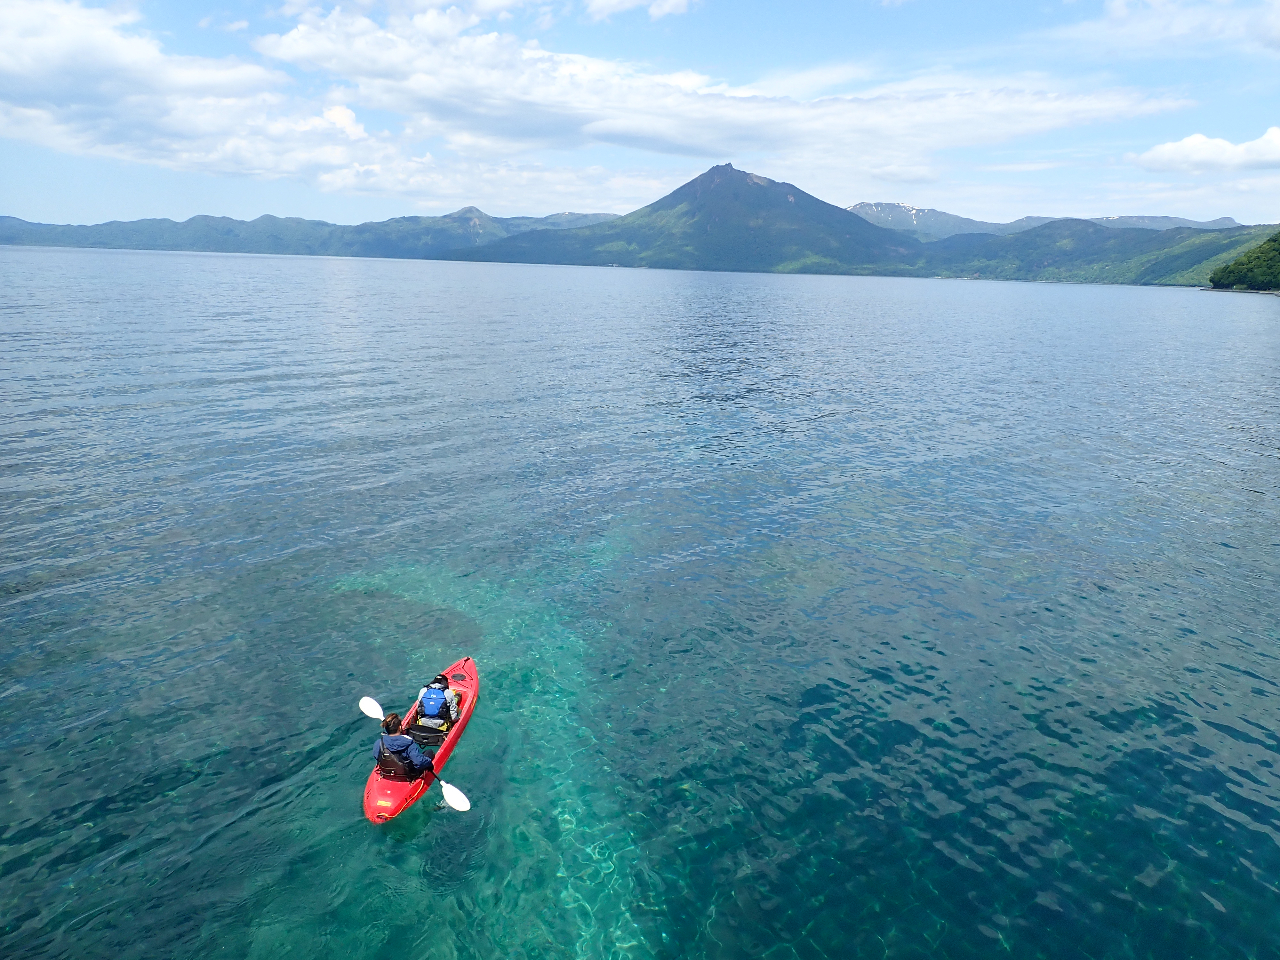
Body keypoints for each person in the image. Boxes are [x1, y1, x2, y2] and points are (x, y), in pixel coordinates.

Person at [372, 713, 435, 779]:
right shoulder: (408, 743)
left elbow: (377, 756)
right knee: (429, 752)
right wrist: (429, 764)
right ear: (400, 727)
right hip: (408, 776)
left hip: (388, 774)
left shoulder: (379, 742)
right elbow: (419, 762)